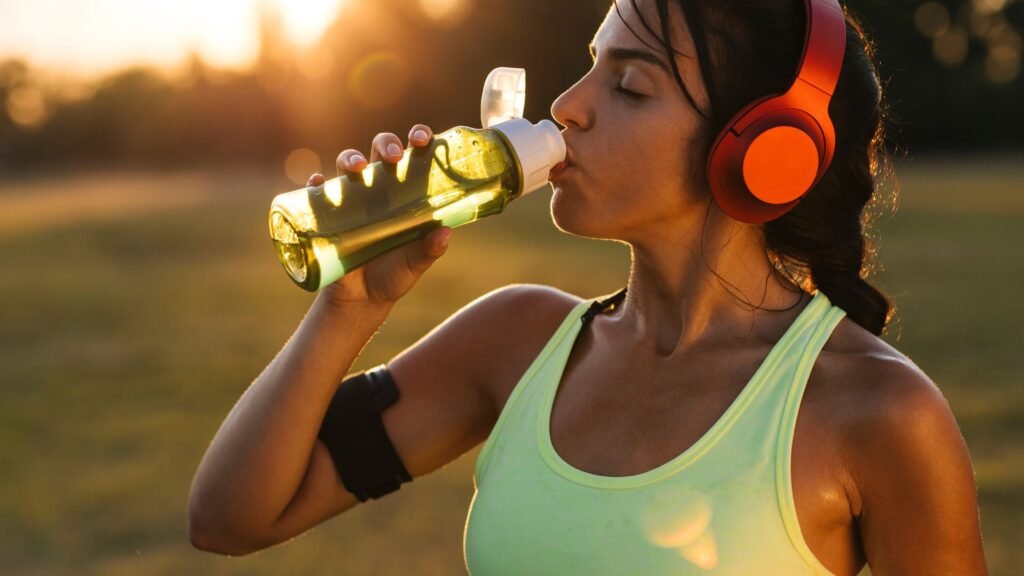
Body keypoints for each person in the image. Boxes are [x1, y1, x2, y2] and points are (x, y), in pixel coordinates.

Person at [188, 0, 987, 573]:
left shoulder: (876, 412)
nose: (568, 107)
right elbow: (230, 519)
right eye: (591, 66)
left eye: (630, 87)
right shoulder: (513, 341)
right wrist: (347, 309)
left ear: (763, 151)